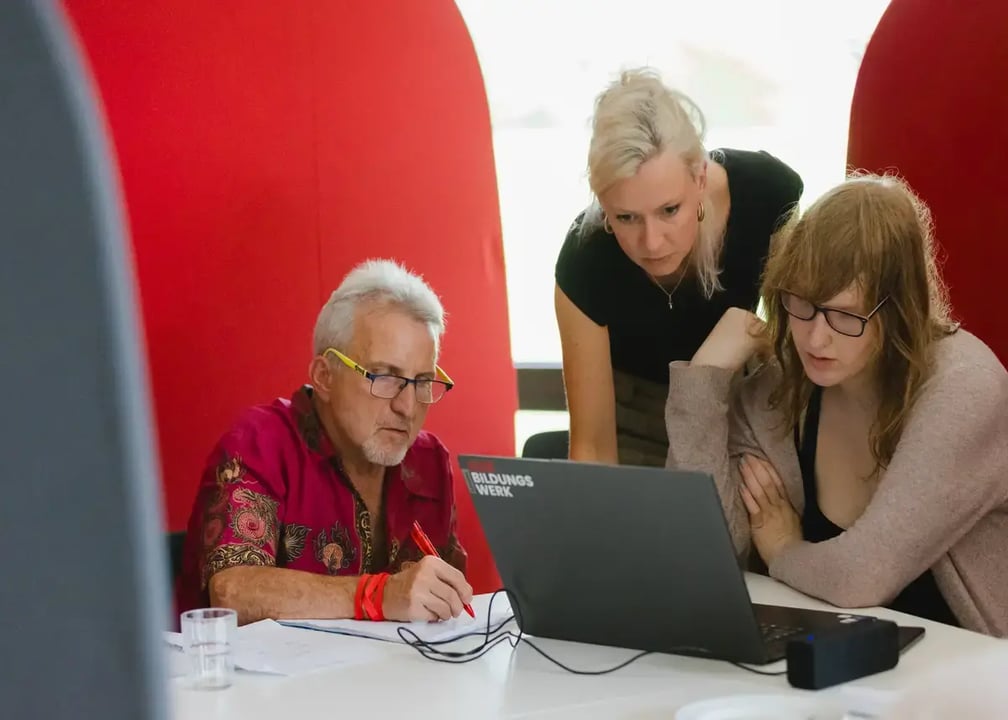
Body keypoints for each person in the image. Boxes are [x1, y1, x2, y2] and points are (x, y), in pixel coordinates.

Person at [665, 173, 1008, 636]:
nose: (816, 337)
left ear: (899, 309)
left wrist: (785, 549)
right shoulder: (783, 389)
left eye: (846, 315)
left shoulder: (965, 387)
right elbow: (694, 556)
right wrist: (704, 381)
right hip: (836, 671)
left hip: (974, 678)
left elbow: (862, 576)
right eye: (800, 305)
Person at [175, 259, 473, 624]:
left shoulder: (427, 462)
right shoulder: (259, 443)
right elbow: (233, 591)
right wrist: (379, 595)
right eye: (384, 376)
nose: (407, 406)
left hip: (389, 678)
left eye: (422, 381)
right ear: (325, 376)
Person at [554, 67, 803, 467]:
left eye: (670, 210)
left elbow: (799, 346)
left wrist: (756, 343)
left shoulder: (766, 194)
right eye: (626, 218)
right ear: (602, 201)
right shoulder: (586, 260)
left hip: (740, 411)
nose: (651, 243)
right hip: (634, 426)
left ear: (700, 177)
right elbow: (595, 447)